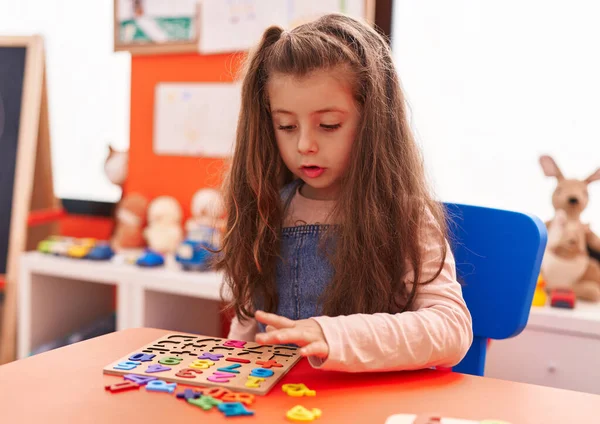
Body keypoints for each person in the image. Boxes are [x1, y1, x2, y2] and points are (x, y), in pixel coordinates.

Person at [215, 13, 473, 372]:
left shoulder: (407, 217)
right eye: (286, 126)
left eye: (329, 125)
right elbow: (247, 329)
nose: (305, 144)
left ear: (373, 121)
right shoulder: (266, 209)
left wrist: (333, 334)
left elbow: (451, 329)